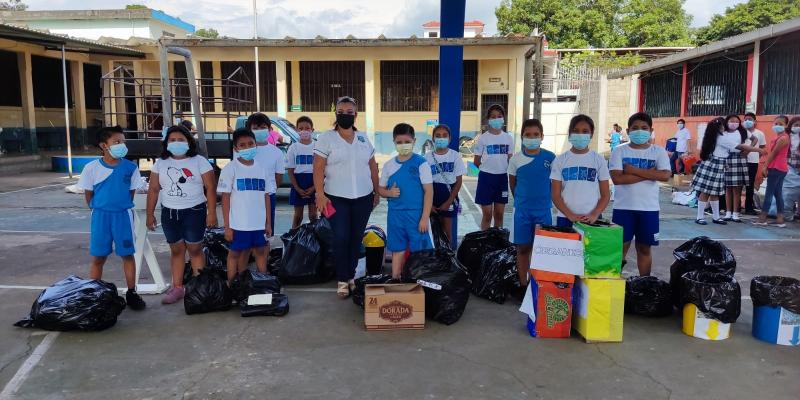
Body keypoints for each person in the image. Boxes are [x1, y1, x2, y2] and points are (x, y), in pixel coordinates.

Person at [313, 96, 380, 298]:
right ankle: (342, 279)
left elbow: (372, 167)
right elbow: (318, 168)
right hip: (335, 198)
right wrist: (320, 194)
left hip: (363, 197)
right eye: (341, 112)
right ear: (336, 114)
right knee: (341, 238)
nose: (345, 115)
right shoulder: (326, 138)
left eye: (349, 112)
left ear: (355, 115)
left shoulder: (363, 138)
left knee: (355, 238)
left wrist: (376, 191)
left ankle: (351, 276)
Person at [145, 125, 217, 304]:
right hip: (169, 213)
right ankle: (177, 288)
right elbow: (153, 190)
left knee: (195, 249)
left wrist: (212, 213)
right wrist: (149, 214)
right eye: (172, 140)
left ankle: (198, 288)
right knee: (176, 250)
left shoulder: (199, 161)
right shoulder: (160, 164)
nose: (176, 143)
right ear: (166, 143)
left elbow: (210, 188)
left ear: (189, 142)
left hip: (194, 211)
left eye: (181, 140)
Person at [76, 126, 146, 310]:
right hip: (100, 216)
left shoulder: (130, 168)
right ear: (103, 146)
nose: (121, 145)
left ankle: (132, 293)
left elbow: (131, 193)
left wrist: (120, 206)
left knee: (127, 255)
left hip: (123, 216)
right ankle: (93, 293)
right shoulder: (91, 168)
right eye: (116, 142)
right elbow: (88, 195)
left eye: (123, 141)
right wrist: (98, 207)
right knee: (98, 257)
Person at [609, 113, 671, 276]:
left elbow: (665, 175)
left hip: (649, 209)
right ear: (628, 131)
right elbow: (617, 179)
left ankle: (645, 284)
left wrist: (633, 170)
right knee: (619, 248)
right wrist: (650, 173)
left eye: (644, 128)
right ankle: (613, 284)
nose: (639, 131)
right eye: (635, 128)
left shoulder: (658, 152)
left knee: (644, 248)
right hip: (623, 208)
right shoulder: (618, 151)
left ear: (651, 130)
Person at [379, 123, 434, 279]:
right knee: (397, 249)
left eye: (407, 141)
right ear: (394, 142)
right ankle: (396, 278)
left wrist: (425, 217)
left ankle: (421, 282)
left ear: (414, 141)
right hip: (395, 215)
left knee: (420, 251)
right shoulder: (389, 165)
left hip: (416, 215)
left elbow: (429, 191)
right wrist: (389, 192)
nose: (403, 145)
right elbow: (380, 189)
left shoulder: (421, 163)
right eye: (399, 142)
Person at [218, 129, 272, 283]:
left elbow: (266, 196)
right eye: (242, 145)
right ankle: (232, 286)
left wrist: (267, 222)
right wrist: (227, 226)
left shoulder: (263, 168)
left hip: (258, 223)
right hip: (239, 224)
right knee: (235, 253)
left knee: (260, 252)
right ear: (236, 149)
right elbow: (225, 198)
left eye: (250, 143)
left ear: (256, 145)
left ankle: (264, 283)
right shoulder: (230, 169)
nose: (247, 147)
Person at [508, 119, 556, 286]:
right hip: (522, 211)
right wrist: (522, 200)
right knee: (523, 249)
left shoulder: (550, 158)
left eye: (536, 134)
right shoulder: (515, 159)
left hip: (544, 211)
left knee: (541, 250)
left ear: (542, 136)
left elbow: (556, 184)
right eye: (528, 135)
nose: (532, 137)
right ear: (522, 137)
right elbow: (513, 183)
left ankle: (538, 286)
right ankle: (524, 285)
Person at [550, 114, 611, 228]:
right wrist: (570, 215)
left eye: (585, 131)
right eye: (576, 130)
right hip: (565, 218)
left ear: (591, 134)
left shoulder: (598, 159)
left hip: (592, 219)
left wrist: (595, 214)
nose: (580, 134)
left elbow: (605, 195)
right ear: (570, 134)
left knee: (591, 247)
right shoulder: (560, 160)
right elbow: (555, 195)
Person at [474, 104, 514, 230]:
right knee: (487, 215)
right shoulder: (483, 138)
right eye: (493, 117)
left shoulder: (508, 138)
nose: (496, 119)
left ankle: (497, 242)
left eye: (499, 116)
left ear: (503, 118)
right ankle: (485, 243)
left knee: (499, 215)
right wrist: (487, 169)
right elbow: (476, 161)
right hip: (486, 179)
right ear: (488, 120)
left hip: (502, 179)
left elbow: (511, 160)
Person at [425, 124, 465, 245]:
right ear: (433, 139)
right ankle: (435, 260)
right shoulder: (427, 158)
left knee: (447, 233)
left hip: (449, 197)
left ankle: (448, 259)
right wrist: (429, 204)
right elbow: (423, 183)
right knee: (431, 233)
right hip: (432, 197)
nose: (441, 138)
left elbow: (458, 181)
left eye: (444, 135)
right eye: (438, 136)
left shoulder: (455, 156)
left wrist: (448, 202)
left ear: (449, 138)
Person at [248, 112, 284, 235]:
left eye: (263, 127)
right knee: (249, 229)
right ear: (249, 130)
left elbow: (278, 177)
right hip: (248, 195)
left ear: (269, 129)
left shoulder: (277, 152)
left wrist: (271, 190)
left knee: (267, 230)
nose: (259, 131)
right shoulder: (244, 151)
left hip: (269, 195)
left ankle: (265, 252)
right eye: (255, 128)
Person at [755, 115, 791, 227]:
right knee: (777, 193)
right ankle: (780, 218)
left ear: (786, 125)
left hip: (776, 168)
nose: (777, 126)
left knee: (769, 193)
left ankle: (762, 218)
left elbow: (773, 154)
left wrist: (765, 166)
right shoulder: (780, 137)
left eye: (781, 124)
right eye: (776, 124)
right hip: (780, 168)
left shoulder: (783, 138)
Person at [721, 114, 757, 222]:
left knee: (737, 188)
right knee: (728, 188)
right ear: (727, 122)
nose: (734, 123)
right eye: (731, 121)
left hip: (740, 159)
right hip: (727, 158)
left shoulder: (743, 131)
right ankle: (728, 212)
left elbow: (754, 139)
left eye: (736, 121)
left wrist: (748, 150)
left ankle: (736, 213)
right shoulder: (724, 133)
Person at [287, 116, 317, 229]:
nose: (304, 131)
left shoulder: (317, 146)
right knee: (298, 216)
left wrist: (314, 187)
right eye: (301, 128)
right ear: (296, 130)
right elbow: (290, 170)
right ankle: (293, 238)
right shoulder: (293, 148)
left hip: (314, 182)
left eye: (307, 128)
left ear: (312, 130)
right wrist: (297, 188)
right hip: (298, 183)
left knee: (313, 215)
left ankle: (314, 239)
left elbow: (322, 170)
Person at [743, 112, 767, 215]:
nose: (747, 121)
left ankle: (749, 207)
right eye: (746, 119)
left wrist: (757, 156)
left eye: (750, 119)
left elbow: (762, 147)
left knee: (750, 185)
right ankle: (736, 206)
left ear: (754, 121)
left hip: (753, 162)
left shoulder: (759, 133)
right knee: (738, 184)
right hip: (741, 161)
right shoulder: (741, 132)